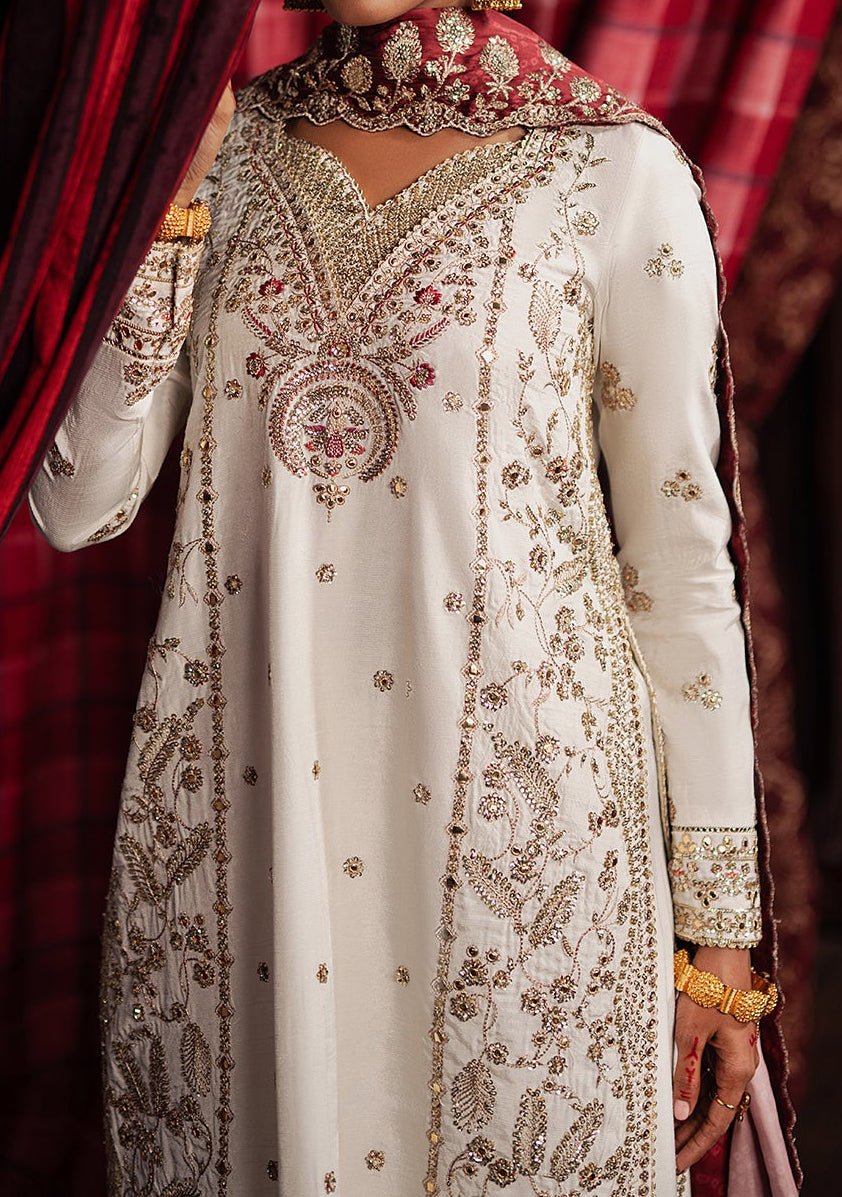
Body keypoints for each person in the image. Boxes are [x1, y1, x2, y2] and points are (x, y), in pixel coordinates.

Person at [28, 1, 785, 1193]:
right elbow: (78, 504)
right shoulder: (218, 156)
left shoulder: (610, 170)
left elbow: (681, 567)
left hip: (522, 870)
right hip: (243, 832)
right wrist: (164, 208)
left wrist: (718, 936)